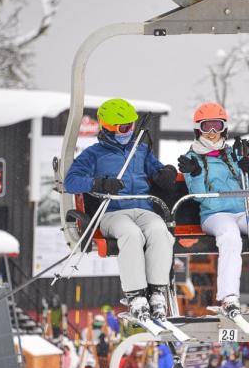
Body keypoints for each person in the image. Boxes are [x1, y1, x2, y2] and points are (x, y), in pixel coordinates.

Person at [178, 102, 249, 315]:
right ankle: (228, 297)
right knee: (231, 237)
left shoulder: (233, 154)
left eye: (217, 125)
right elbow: (198, 196)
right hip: (214, 214)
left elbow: (248, 189)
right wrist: (194, 174)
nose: (213, 132)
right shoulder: (191, 159)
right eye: (207, 127)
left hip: (242, 211)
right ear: (198, 129)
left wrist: (248, 170)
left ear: (224, 127)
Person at [65, 98, 177, 320]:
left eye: (132, 126)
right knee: (131, 234)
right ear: (107, 128)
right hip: (112, 213)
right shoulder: (94, 154)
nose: (129, 132)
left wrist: (166, 173)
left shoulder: (141, 150)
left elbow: (156, 170)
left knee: (159, 230)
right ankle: (135, 294)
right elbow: (71, 182)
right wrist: (98, 183)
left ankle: (156, 291)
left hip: (142, 209)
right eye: (124, 127)